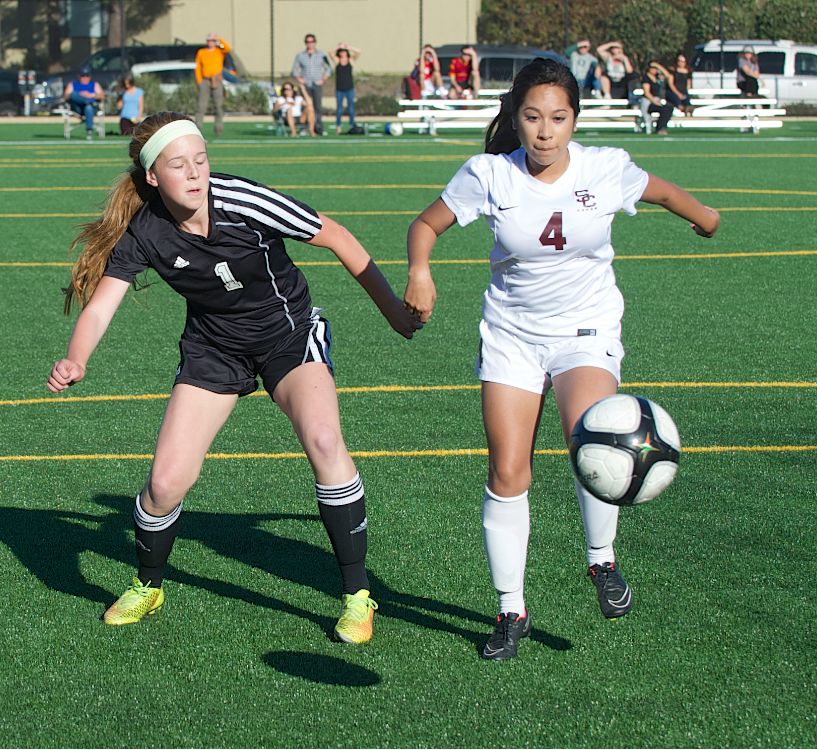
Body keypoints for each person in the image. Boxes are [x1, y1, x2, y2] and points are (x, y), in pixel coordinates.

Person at [47, 112, 423, 643]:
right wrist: (76, 358)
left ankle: (358, 595)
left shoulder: (244, 200)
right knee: (164, 484)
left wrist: (392, 311)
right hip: (213, 350)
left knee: (323, 440)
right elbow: (103, 305)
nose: (195, 173)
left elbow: (336, 236)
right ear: (153, 176)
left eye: (201, 160)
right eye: (179, 165)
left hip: (288, 335)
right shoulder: (146, 231)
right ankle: (148, 585)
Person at [403, 58, 719, 661]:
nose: (545, 132)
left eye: (558, 118)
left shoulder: (605, 168)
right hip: (512, 336)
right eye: (532, 118)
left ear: (575, 119)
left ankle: (601, 561)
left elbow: (661, 191)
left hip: (586, 329)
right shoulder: (490, 174)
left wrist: (704, 217)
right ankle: (510, 609)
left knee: (593, 435)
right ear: (515, 118)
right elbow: (426, 225)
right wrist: (421, 270)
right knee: (508, 473)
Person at [292, 34, 333, 135]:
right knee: (305, 107)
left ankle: (318, 127)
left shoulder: (321, 55)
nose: (310, 44)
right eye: (308, 42)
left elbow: (328, 69)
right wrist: (299, 79)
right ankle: (304, 128)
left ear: (315, 42)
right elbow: (295, 69)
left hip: (317, 83)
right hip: (306, 84)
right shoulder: (300, 55)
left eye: (312, 42)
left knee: (317, 106)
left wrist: (323, 80)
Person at [195, 32, 232, 135]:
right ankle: (198, 127)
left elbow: (228, 48)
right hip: (205, 80)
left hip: (217, 80)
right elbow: (198, 67)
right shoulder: (201, 52)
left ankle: (218, 128)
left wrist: (219, 39)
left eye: (212, 40)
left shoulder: (219, 51)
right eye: (209, 40)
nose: (210, 42)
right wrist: (199, 80)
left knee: (218, 106)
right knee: (201, 106)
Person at [63, 66, 105, 140]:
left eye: (87, 75)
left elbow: (102, 96)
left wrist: (91, 95)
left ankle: (89, 130)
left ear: (90, 76)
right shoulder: (73, 84)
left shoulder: (94, 84)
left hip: (91, 109)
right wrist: (80, 94)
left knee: (88, 108)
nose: (85, 78)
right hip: (77, 108)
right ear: (79, 76)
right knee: (73, 94)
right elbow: (66, 96)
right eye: (83, 75)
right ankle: (88, 101)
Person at [329, 43, 361, 134]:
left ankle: (351, 125)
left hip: (349, 88)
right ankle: (338, 126)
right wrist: (338, 46)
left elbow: (359, 52)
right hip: (339, 89)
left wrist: (348, 47)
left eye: (344, 51)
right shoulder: (337, 61)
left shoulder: (350, 60)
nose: (343, 53)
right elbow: (330, 52)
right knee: (339, 109)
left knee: (351, 109)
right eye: (341, 51)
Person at [640, 59, 675, 135]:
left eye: (656, 68)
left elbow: (669, 76)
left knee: (669, 108)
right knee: (665, 109)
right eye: (653, 68)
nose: (655, 70)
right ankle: (659, 128)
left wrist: (658, 66)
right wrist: (655, 102)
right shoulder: (646, 78)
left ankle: (661, 127)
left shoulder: (657, 77)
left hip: (656, 100)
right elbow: (647, 93)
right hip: (648, 102)